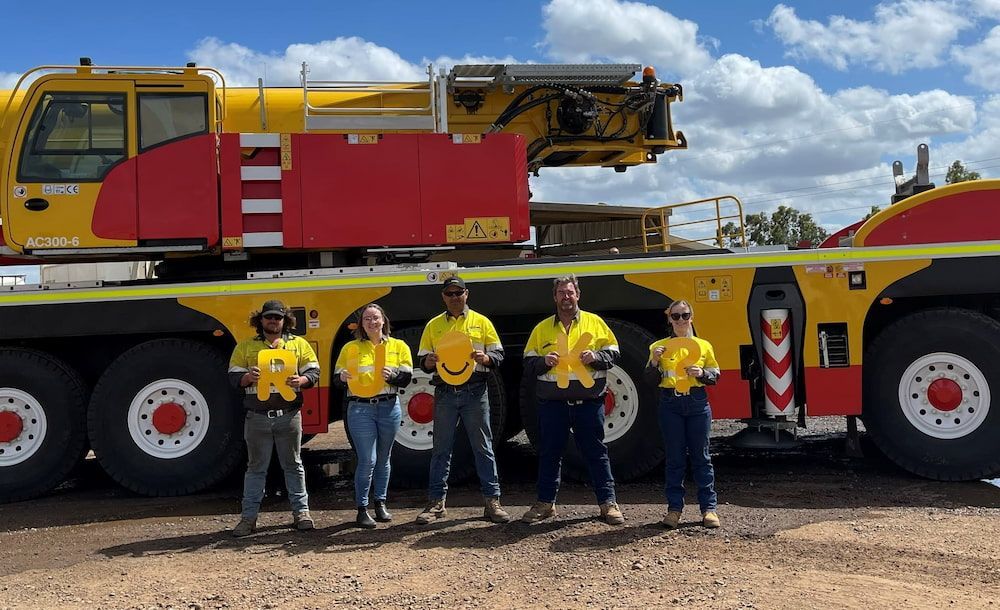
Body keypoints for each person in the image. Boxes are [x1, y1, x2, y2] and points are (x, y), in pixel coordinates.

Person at [520, 275, 625, 525]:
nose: (566, 297)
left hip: (589, 403)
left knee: (596, 453)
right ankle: (545, 504)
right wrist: (543, 362)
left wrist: (596, 357)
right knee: (549, 454)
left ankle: (608, 504)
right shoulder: (542, 328)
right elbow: (527, 363)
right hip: (553, 404)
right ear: (554, 297)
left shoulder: (595, 323)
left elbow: (613, 353)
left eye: (570, 292)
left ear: (578, 294)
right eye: (561, 293)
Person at [414, 276, 511, 525]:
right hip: (445, 392)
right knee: (441, 450)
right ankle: (436, 503)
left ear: (467, 294)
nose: (455, 297)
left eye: (459, 293)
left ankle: (492, 502)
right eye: (450, 293)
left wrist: (486, 358)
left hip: (475, 391)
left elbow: (499, 355)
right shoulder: (433, 326)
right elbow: (422, 362)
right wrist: (428, 362)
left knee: (483, 448)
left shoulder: (482, 322)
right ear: (443, 297)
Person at [228, 299, 320, 537]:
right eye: (268, 317)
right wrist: (247, 378)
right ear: (260, 320)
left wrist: (302, 381)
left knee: (294, 466)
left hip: (288, 416)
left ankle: (302, 514)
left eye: (277, 317)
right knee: (256, 468)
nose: (273, 321)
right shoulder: (245, 347)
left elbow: (314, 371)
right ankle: (248, 519)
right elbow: (232, 376)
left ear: (284, 320)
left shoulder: (299, 344)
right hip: (257, 417)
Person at [334, 304, 412, 529]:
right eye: (367, 319)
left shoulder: (399, 346)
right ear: (361, 324)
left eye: (375, 318)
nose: (371, 322)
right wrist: (342, 377)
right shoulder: (350, 348)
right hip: (360, 409)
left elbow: (406, 377)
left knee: (384, 457)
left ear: (383, 320)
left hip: (389, 407)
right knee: (368, 459)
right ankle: (362, 508)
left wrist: (394, 375)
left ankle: (380, 503)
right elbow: (338, 380)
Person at [644, 300, 721, 529]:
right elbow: (649, 380)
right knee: (675, 459)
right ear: (669, 318)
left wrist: (702, 372)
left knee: (702, 457)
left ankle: (709, 509)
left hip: (697, 402)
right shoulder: (658, 346)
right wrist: (655, 361)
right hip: (670, 403)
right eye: (675, 316)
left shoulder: (704, 345)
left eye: (684, 315)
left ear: (691, 317)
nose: (680, 320)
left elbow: (715, 376)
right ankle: (674, 510)